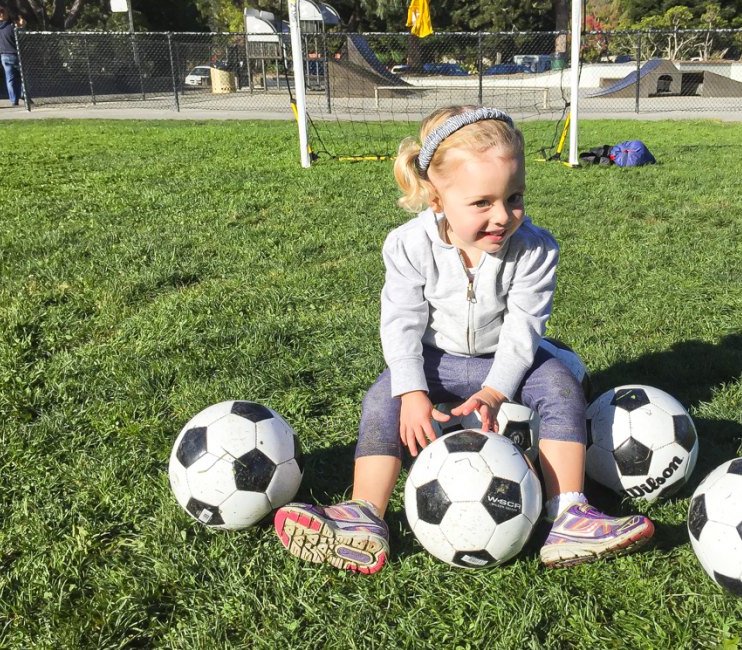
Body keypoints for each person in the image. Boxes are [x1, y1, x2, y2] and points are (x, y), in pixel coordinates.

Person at [274, 106, 655, 573]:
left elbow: (523, 329)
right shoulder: (407, 246)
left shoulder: (536, 249)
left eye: (514, 197)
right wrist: (412, 392)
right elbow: (401, 323)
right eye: (483, 203)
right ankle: (363, 515)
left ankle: (568, 513)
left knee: (559, 387)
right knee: (381, 397)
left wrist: (497, 389)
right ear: (437, 200)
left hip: (507, 357)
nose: (503, 216)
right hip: (438, 358)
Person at [0, 6, 21, 106]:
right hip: (15, 53)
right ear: (2, 14)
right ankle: (24, 94)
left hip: (4, 55)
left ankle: (13, 100)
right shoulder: (10, 26)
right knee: (22, 76)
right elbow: (19, 37)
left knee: (10, 78)